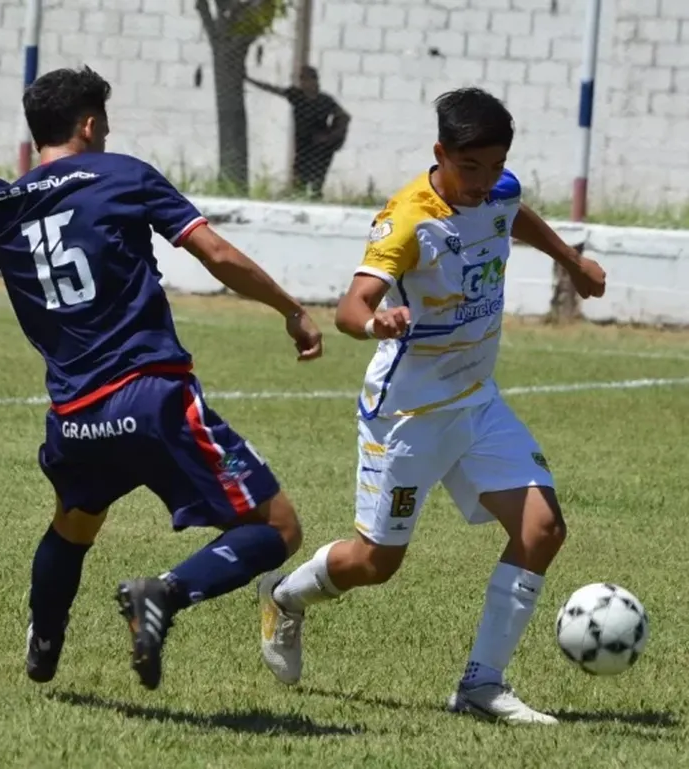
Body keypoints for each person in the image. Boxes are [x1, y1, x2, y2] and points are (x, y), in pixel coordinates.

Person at [0, 17, 323, 692]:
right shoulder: (124, 176)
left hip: (75, 417)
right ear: (92, 124)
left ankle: (44, 640)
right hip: (153, 399)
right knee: (278, 527)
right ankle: (165, 592)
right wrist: (291, 309)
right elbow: (214, 252)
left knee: (73, 524)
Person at [256, 87, 607, 725]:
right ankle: (285, 595)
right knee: (376, 563)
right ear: (440, 152)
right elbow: (351, 308)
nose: (483, 181)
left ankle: (481, 685)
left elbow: (513, 213)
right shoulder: (408, 219)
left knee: (542, 529)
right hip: (408, 415)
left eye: (495, 166)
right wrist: (377, 323)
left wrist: (570, 260)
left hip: (476, 401)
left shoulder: (498, 189)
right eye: (470, 167)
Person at [246, 65, 349, 199]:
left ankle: (315, 199)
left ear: (315, 80)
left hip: (320, 148)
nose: (304, 83)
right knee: (299, 178)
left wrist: (331, 136)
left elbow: (344, 116)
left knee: (317, 181)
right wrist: (250, 80)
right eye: (302, 79)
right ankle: (299, 199)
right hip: (303, 145)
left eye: (307, 79)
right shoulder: (297, 96)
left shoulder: (324, 101)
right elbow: (274, 89)